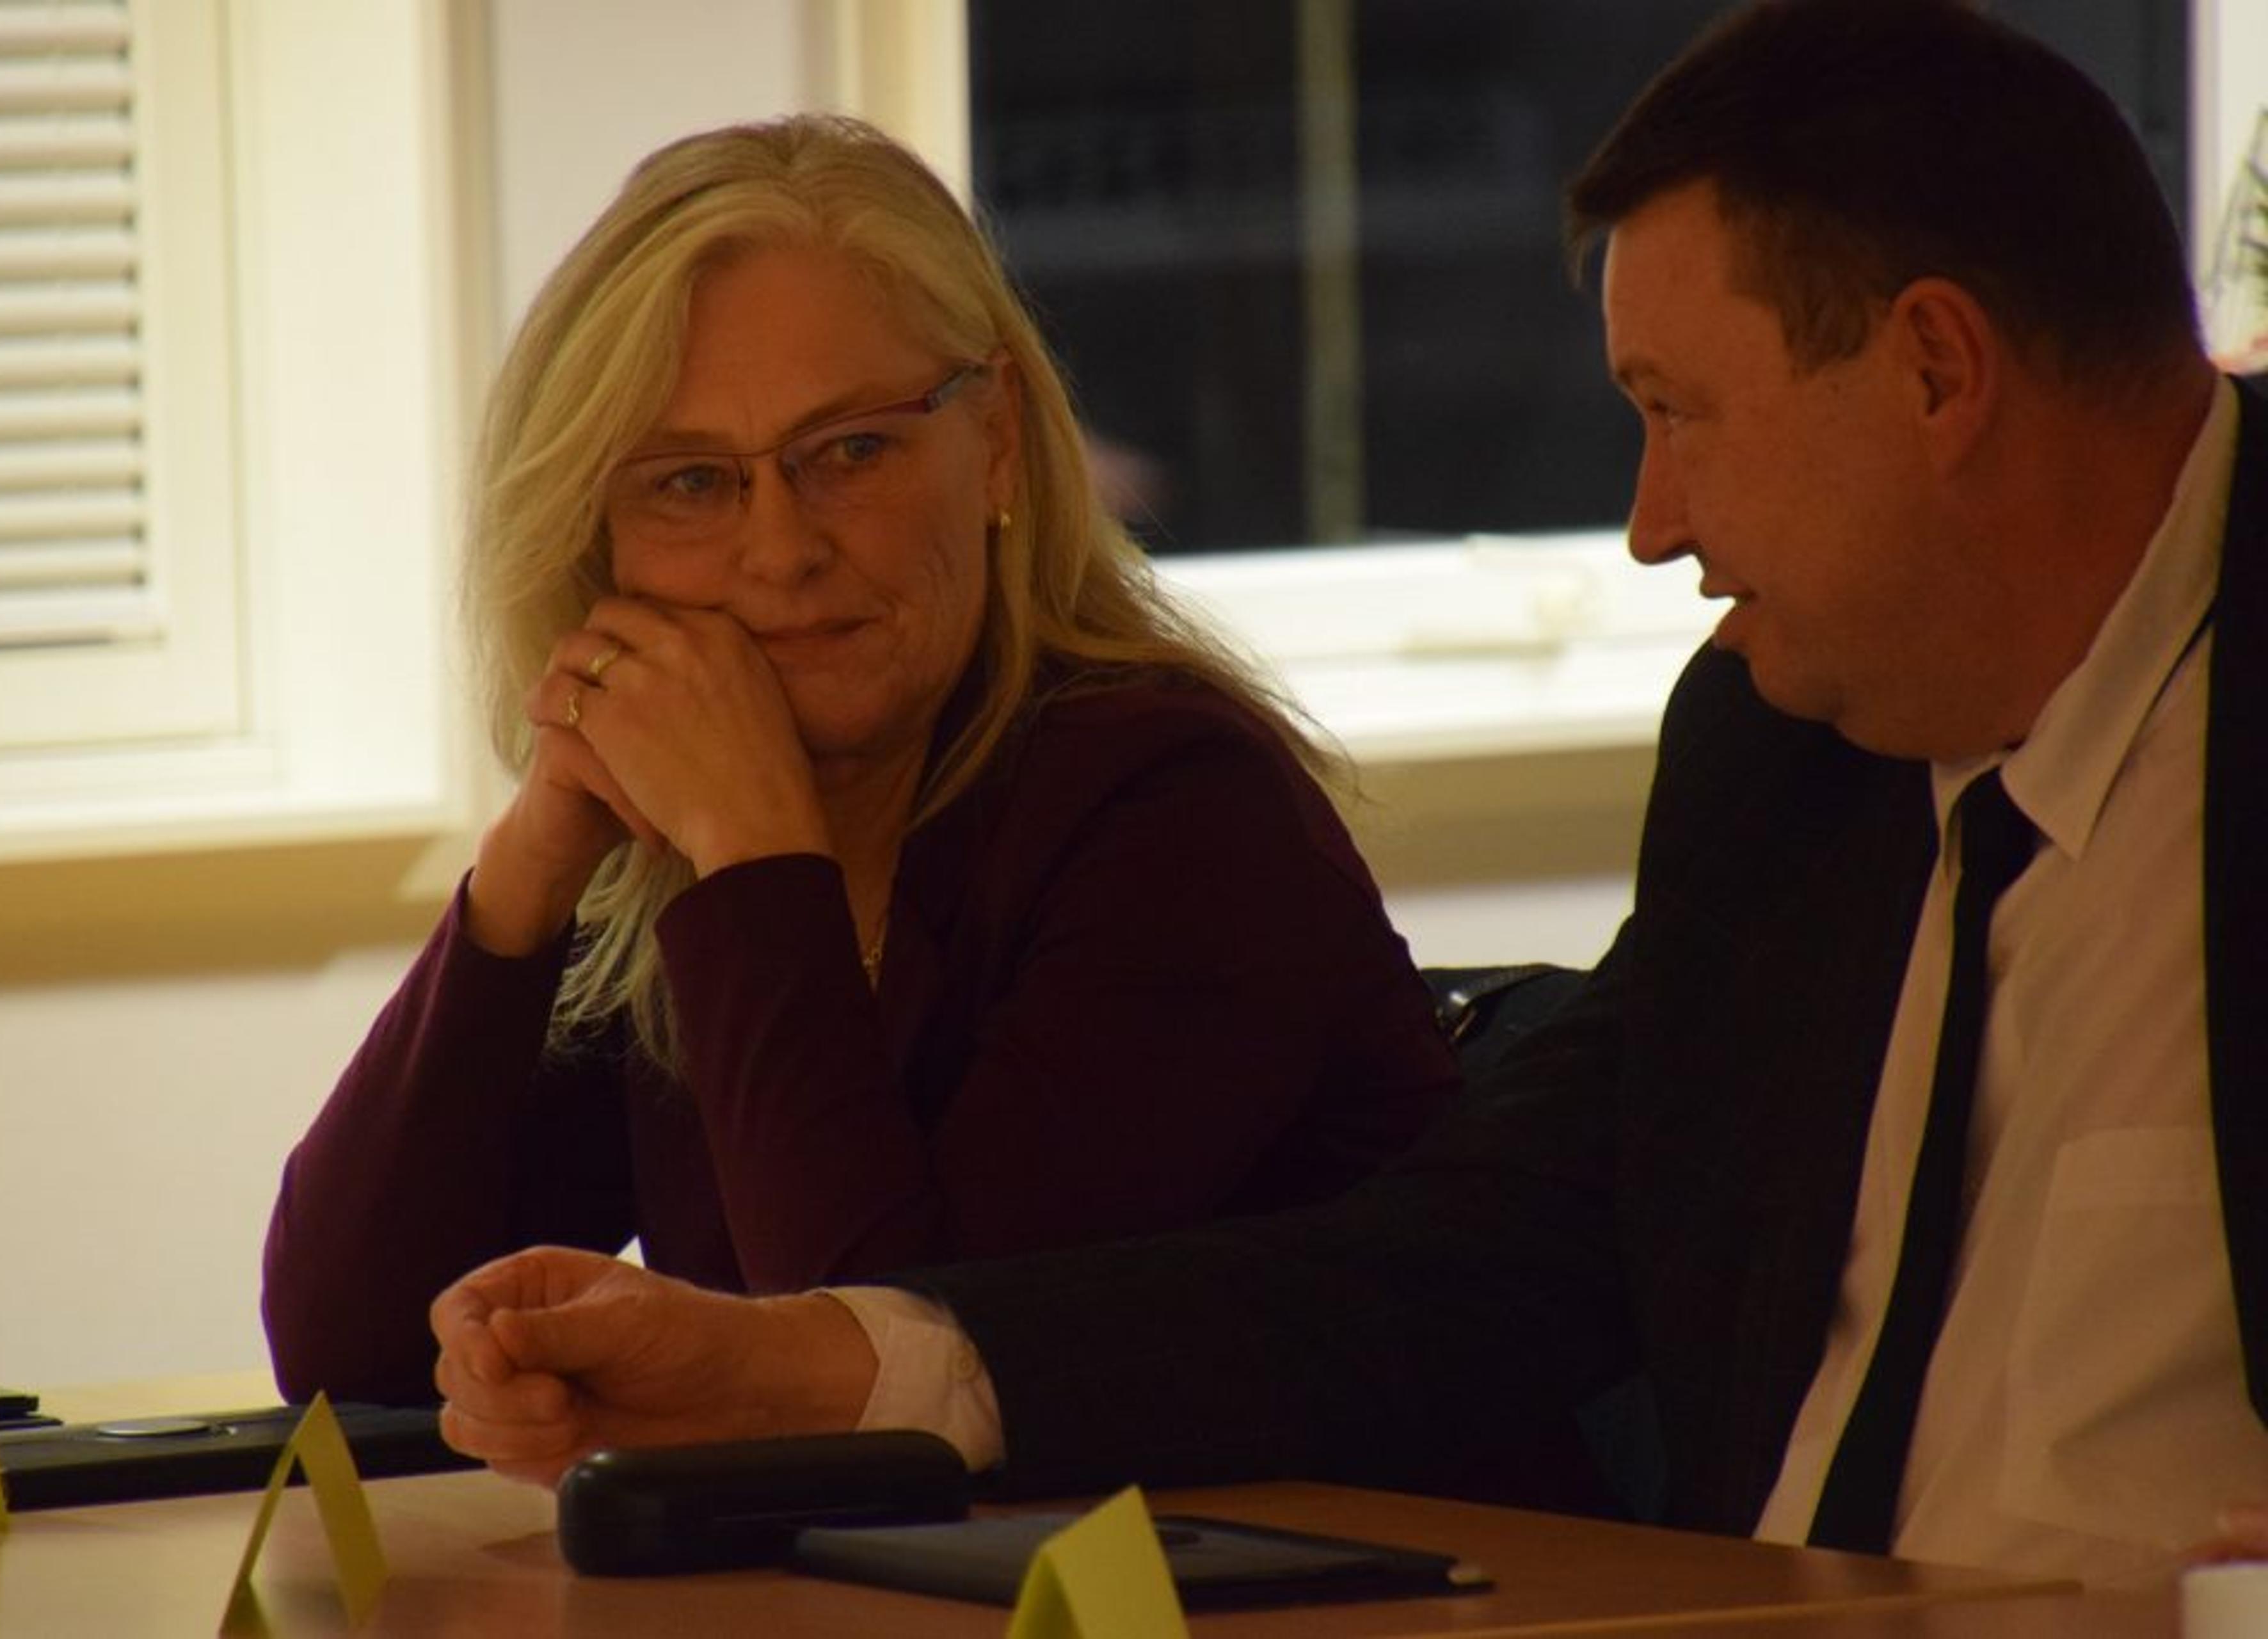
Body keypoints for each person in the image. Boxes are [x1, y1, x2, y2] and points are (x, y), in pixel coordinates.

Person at [423, 0, 2268, 1582]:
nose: (1650, 525)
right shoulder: (1789, 763)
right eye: (691, 483)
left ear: (1937, 371)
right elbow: (1471, 1264)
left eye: (1677, 413)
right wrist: (797, 1366)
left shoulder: (1157, 800)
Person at [261, 116, 1458, 1407]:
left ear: (995, 442)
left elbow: (907, 1384)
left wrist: (756, 859)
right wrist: (536, 859)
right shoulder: (677, 853)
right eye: (690, 482)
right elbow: (359, 1354)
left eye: (852, 453)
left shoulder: (1180, 814)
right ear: (595, 537)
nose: (782, 552)